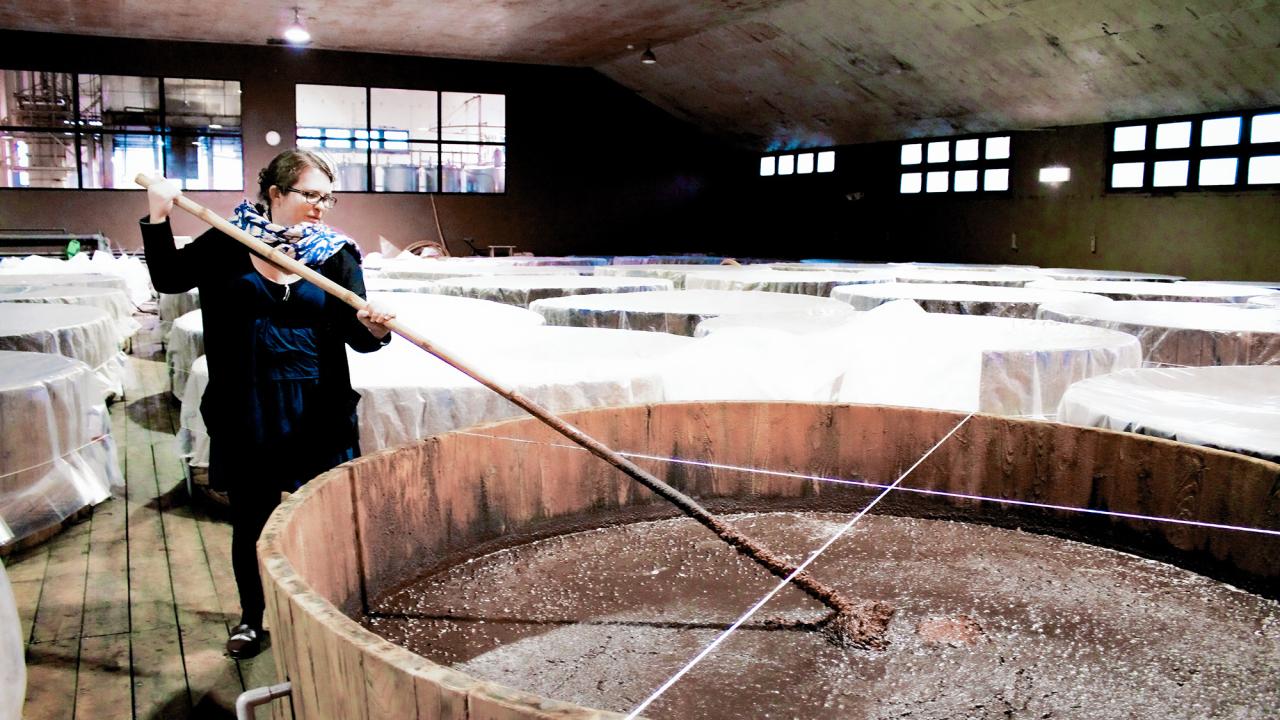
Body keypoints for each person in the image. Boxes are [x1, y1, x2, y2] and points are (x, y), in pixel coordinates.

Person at [141, 149, 394, 659]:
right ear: (275, 193)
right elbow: (169, 279)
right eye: (310, 194)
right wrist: (159, 213)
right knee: (252, 521)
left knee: (324, 517)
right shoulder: (228, 241)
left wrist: (374, 329)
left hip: (319, 409)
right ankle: (252, 619)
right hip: (248, 409)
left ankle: (329, 613)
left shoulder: (335, 255)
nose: (321, 206)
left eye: (328, 197)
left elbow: (358, 338)